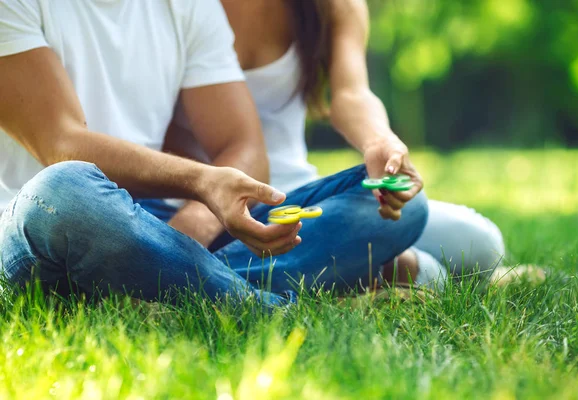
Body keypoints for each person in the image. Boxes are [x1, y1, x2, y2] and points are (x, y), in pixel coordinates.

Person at [0, 0, 428, 306]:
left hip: (153, 222)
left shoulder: (189, 6)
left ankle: (156, 283)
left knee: (397, 203)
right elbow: (61, 143)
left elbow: (242, 145)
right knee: (67, 188)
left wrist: (195, 222)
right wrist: (202, 182)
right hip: (50, 216)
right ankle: (265, 306)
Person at [164, 0, 506, 292]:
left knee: (480, 243)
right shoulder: (172, 10)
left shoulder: (331, 6)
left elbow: (351, 93)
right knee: (431, 273)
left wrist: (380, 140)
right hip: (203, 204)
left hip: (300, 197)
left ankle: (355, 269)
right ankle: (367, 271)